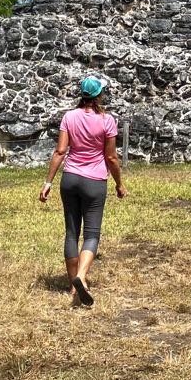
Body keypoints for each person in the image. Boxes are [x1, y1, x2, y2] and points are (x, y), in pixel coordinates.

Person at [39, 75, 126, 306]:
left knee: (71, 232)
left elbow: (60, 152)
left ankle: (73, 287)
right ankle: (81, 276)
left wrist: (48, 182)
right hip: (95, 181)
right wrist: (119, 183)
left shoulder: (69, 117)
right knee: (92, 233)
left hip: (70, 178)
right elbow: (111, 156)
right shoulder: (107, 120)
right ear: (99, 95)